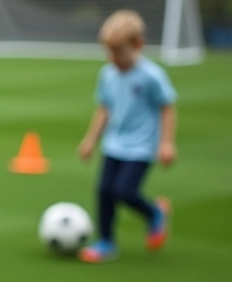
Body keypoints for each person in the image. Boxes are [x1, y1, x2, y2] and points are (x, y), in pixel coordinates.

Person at [77, 9, 177, 263]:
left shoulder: (151, 76)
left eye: (118, 52)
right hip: (114, 143)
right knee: (104, 191)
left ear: (138, 45)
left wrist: (166, 143)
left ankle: (154, 212)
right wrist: (91, 140)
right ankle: (106, 241)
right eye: (108, 51)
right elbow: (104, 109)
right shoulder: (107, 74)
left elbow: (167, 107)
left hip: (142, 146)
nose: (112, 58)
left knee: (124, 191)